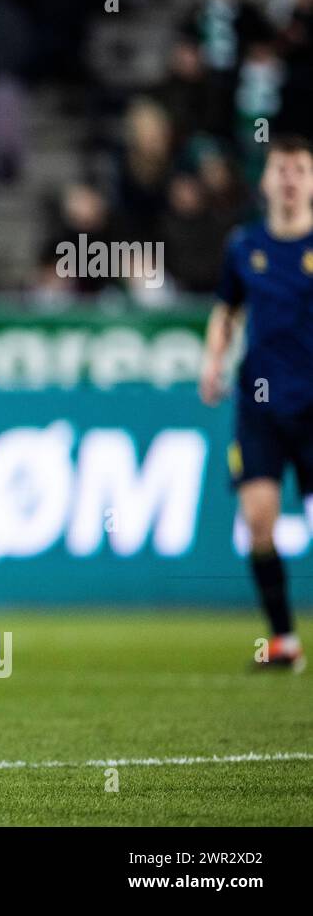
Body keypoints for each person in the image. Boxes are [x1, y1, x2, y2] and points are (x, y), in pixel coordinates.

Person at [199, 134, 313, 672]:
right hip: (260, 406)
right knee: (259, 520)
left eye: (299, 169)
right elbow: (226, 310)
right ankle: (284, 641)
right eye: (281, 169)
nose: (289, 178)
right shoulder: (244, 246)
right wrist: (212, 361)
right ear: (266, 180)